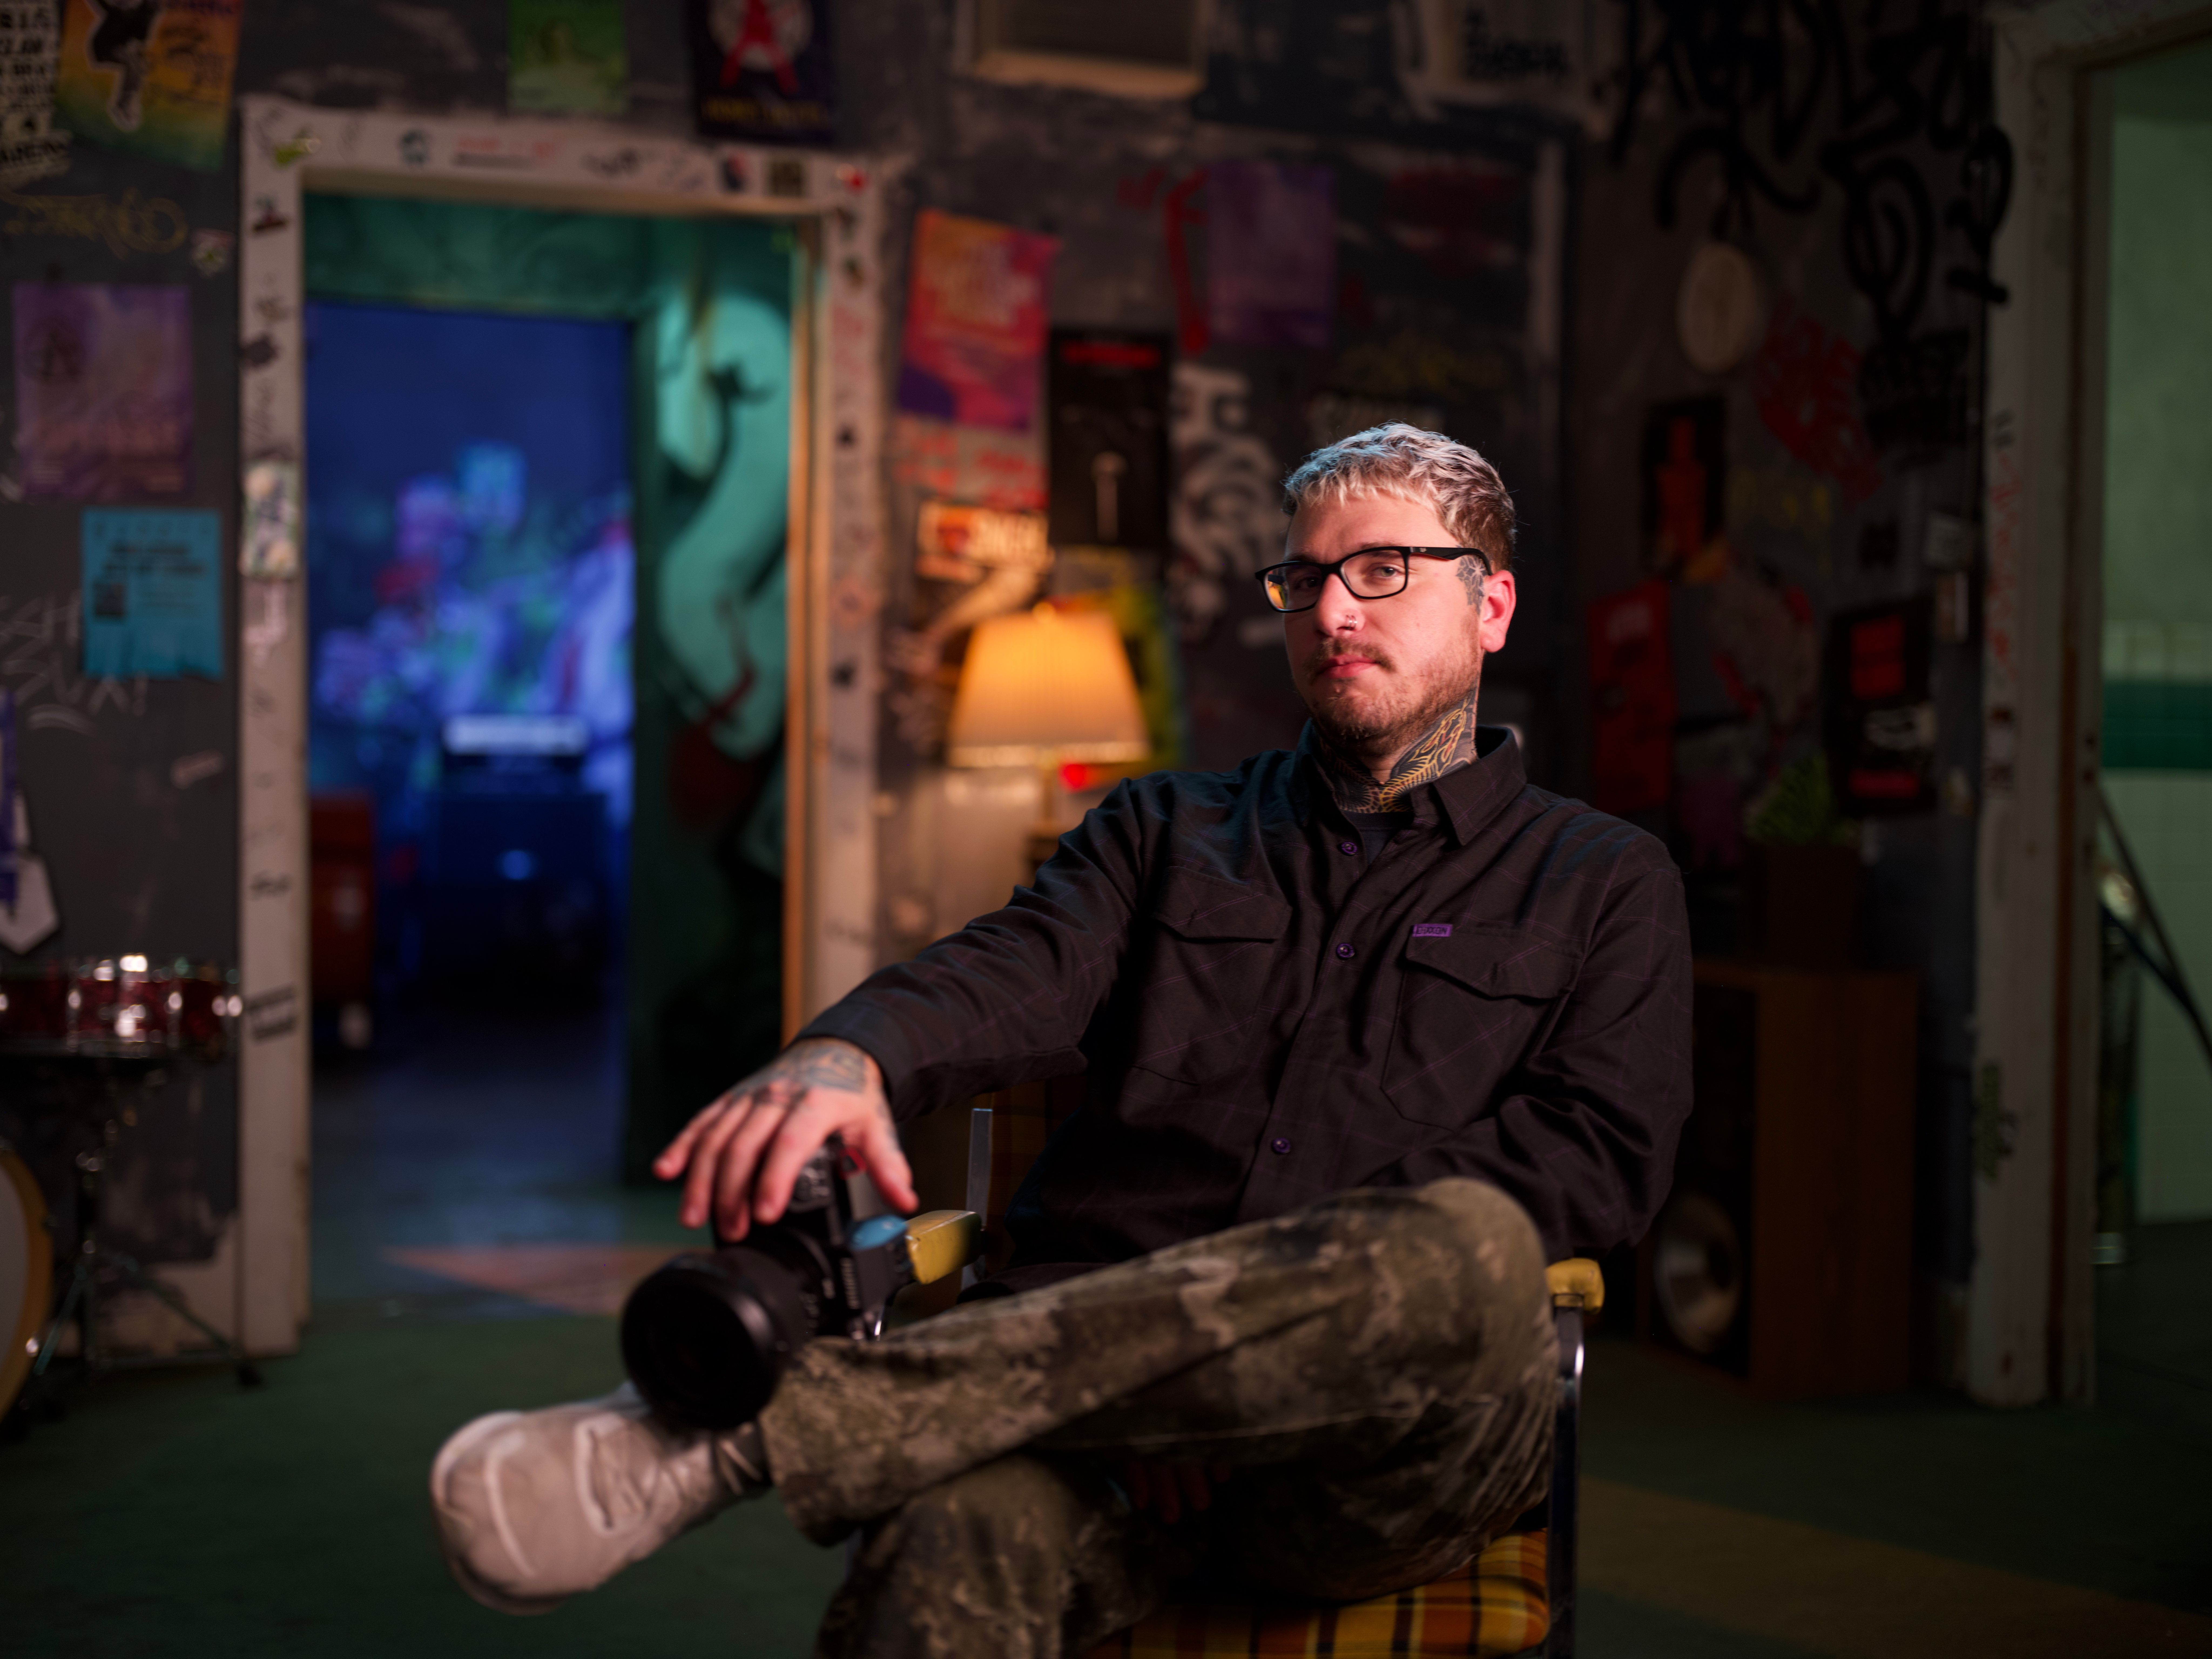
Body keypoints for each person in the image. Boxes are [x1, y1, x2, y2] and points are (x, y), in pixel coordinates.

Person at [429, 425, 1691, 1657]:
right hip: (1090, 1440)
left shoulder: (1605, 881)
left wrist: (1207, 1370)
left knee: (1472, 1241)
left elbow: (1597, 1160)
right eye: (1303, 577)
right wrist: (847, 1054)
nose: (1329, 611)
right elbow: (1006, 970)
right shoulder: (1162, 832)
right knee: (949, 1533)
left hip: (1377, 1448)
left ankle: (742, 1438)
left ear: (1490, 606)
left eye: (1380, 570)